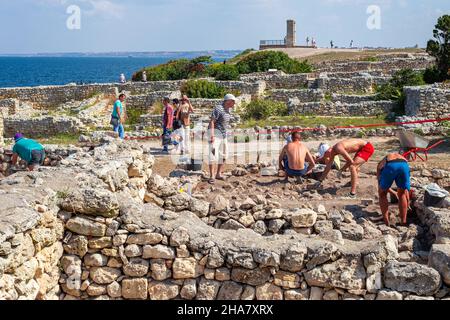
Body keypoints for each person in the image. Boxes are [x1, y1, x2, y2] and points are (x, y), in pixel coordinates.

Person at [207, 94, 236, 184]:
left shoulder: (228, 110)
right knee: (213, 155)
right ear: (228, 101)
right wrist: (211, 135)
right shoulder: (218, 108)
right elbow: (212, 121)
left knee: (224, 155)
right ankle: (212, 175)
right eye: (233, 101)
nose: (234, 103)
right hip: (215, 135)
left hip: (223, 136)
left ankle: (218, 173)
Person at [377, 153, 411, 227]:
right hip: (404, 166)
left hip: (391, 165)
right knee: (402, 194)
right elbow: (406, 191)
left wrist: (380, 185)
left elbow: (379, 172)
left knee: (382, 194)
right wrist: (408, 201)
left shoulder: (381, 163)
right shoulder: (402, 158)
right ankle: (403, 222)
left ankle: (386, 222)